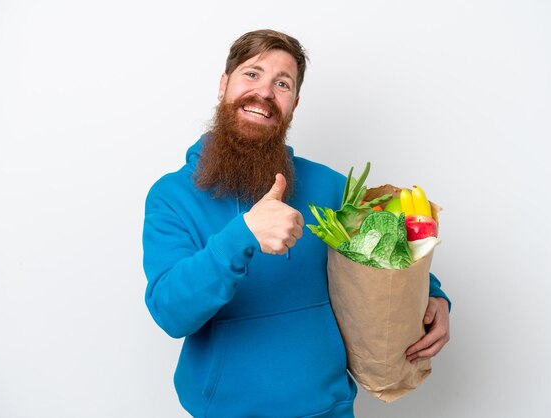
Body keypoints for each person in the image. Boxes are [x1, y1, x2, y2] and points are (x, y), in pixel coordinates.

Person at [142, 29, 450, 418]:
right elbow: (170, 313)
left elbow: (384, 246)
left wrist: (435, 297)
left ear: (294, 103)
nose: (265, 93)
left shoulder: (330, 185)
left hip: (329, 408)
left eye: (282, 83)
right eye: (252, 74)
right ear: (224, 85)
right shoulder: (171, 196)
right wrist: (242, 234)